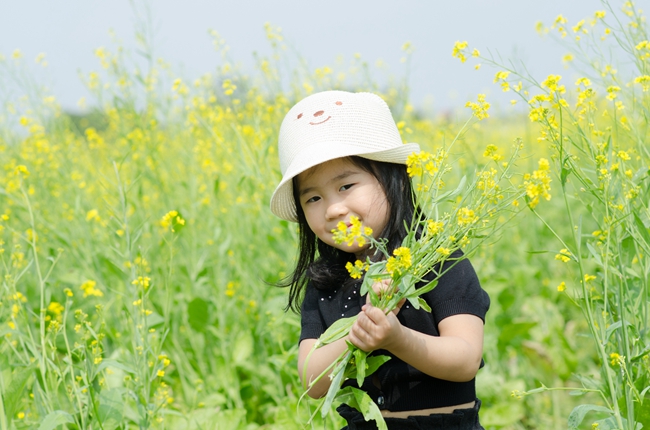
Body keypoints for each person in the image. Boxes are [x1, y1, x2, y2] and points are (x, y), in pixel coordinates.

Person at [270, 90, 489, 430]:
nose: (332, 209)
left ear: (395, 181)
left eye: (346, 186)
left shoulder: (436, 259)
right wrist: (357, 334)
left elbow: (465, 358)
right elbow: (313, 381)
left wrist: (397, 338)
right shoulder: (325, 284)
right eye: (313, 197)